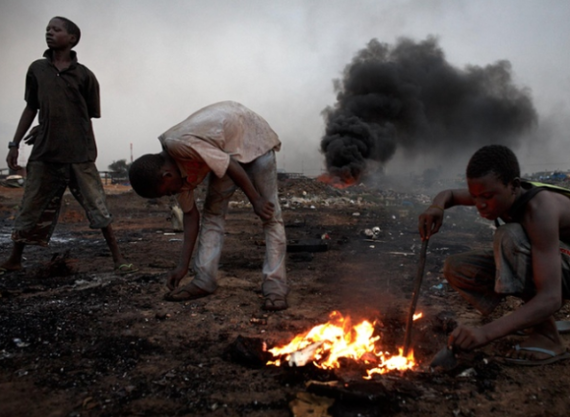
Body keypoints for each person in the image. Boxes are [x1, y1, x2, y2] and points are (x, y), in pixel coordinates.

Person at [1, 17, 135, 276]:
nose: (49, 32)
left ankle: (119, 258)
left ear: (72, 38)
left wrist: (83, 146)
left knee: (97, 206)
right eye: (47, 29)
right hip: (44, 153)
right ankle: (14, 259)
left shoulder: (85, 75)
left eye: (56, 29)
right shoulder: (37, 69)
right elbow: (32, 107)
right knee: (30, 205)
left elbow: (88, 114)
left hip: (78, 154)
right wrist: (14, 143)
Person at [128, 101, 288, 311]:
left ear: (167, 175)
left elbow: (229, 164)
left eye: (168, 191)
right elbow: (191, 216)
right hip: (227, 151)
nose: (172, 195)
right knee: (212, 214)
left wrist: (256, 200)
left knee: (270, 215)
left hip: (252, 136)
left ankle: (275, 288)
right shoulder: (177, 179)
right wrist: (182, 266)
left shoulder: (179, 144)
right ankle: (204, 280)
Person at [418, 144, 570, 365]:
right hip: (554, 261)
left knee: (510, 237)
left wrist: (485, 334)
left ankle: (548, 338)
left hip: (561, 267)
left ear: (514, 185)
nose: (480, 205)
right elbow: (448, 194)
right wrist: (436, 208)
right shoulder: (497, 194)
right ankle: (532, 320)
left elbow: (551, 297)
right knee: (458, 267)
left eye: (487, 197)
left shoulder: (540, 210)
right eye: (474, 196)